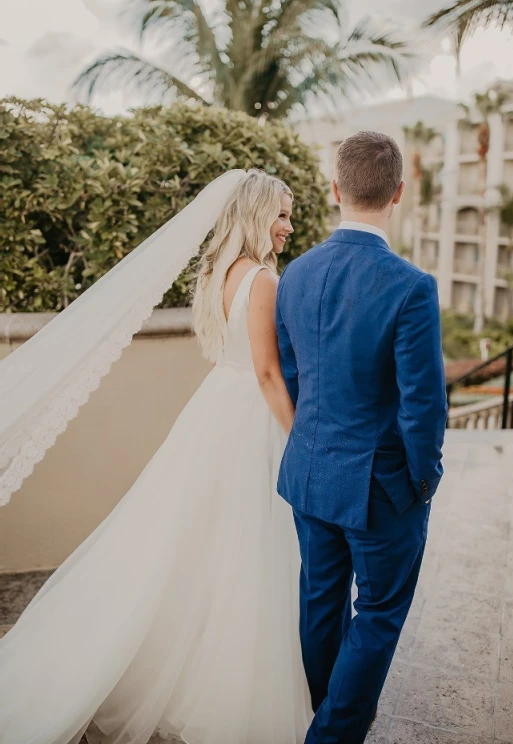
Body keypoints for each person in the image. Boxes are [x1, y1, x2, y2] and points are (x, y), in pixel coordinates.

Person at [0, 169, 313, 744]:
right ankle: (224, 689)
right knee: (245, 548)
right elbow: (269, 373)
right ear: (254, 215)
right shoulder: (264, 279)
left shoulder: (221, 269)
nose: (288, 228)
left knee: (194, 542)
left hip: (216, 404)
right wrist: (301, 440)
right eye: (281, 215)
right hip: (248, 413)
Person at [276, 131, 448, 744]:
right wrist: (424, 481)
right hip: (380, 489)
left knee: (321, 603)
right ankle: (333, 733)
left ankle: (328, 714)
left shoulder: (294, 274)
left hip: (309, 473)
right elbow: (423, 406)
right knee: (376, 614)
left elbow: (295, 378)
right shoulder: (411, 287)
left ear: (335, 188)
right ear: (398, 192)